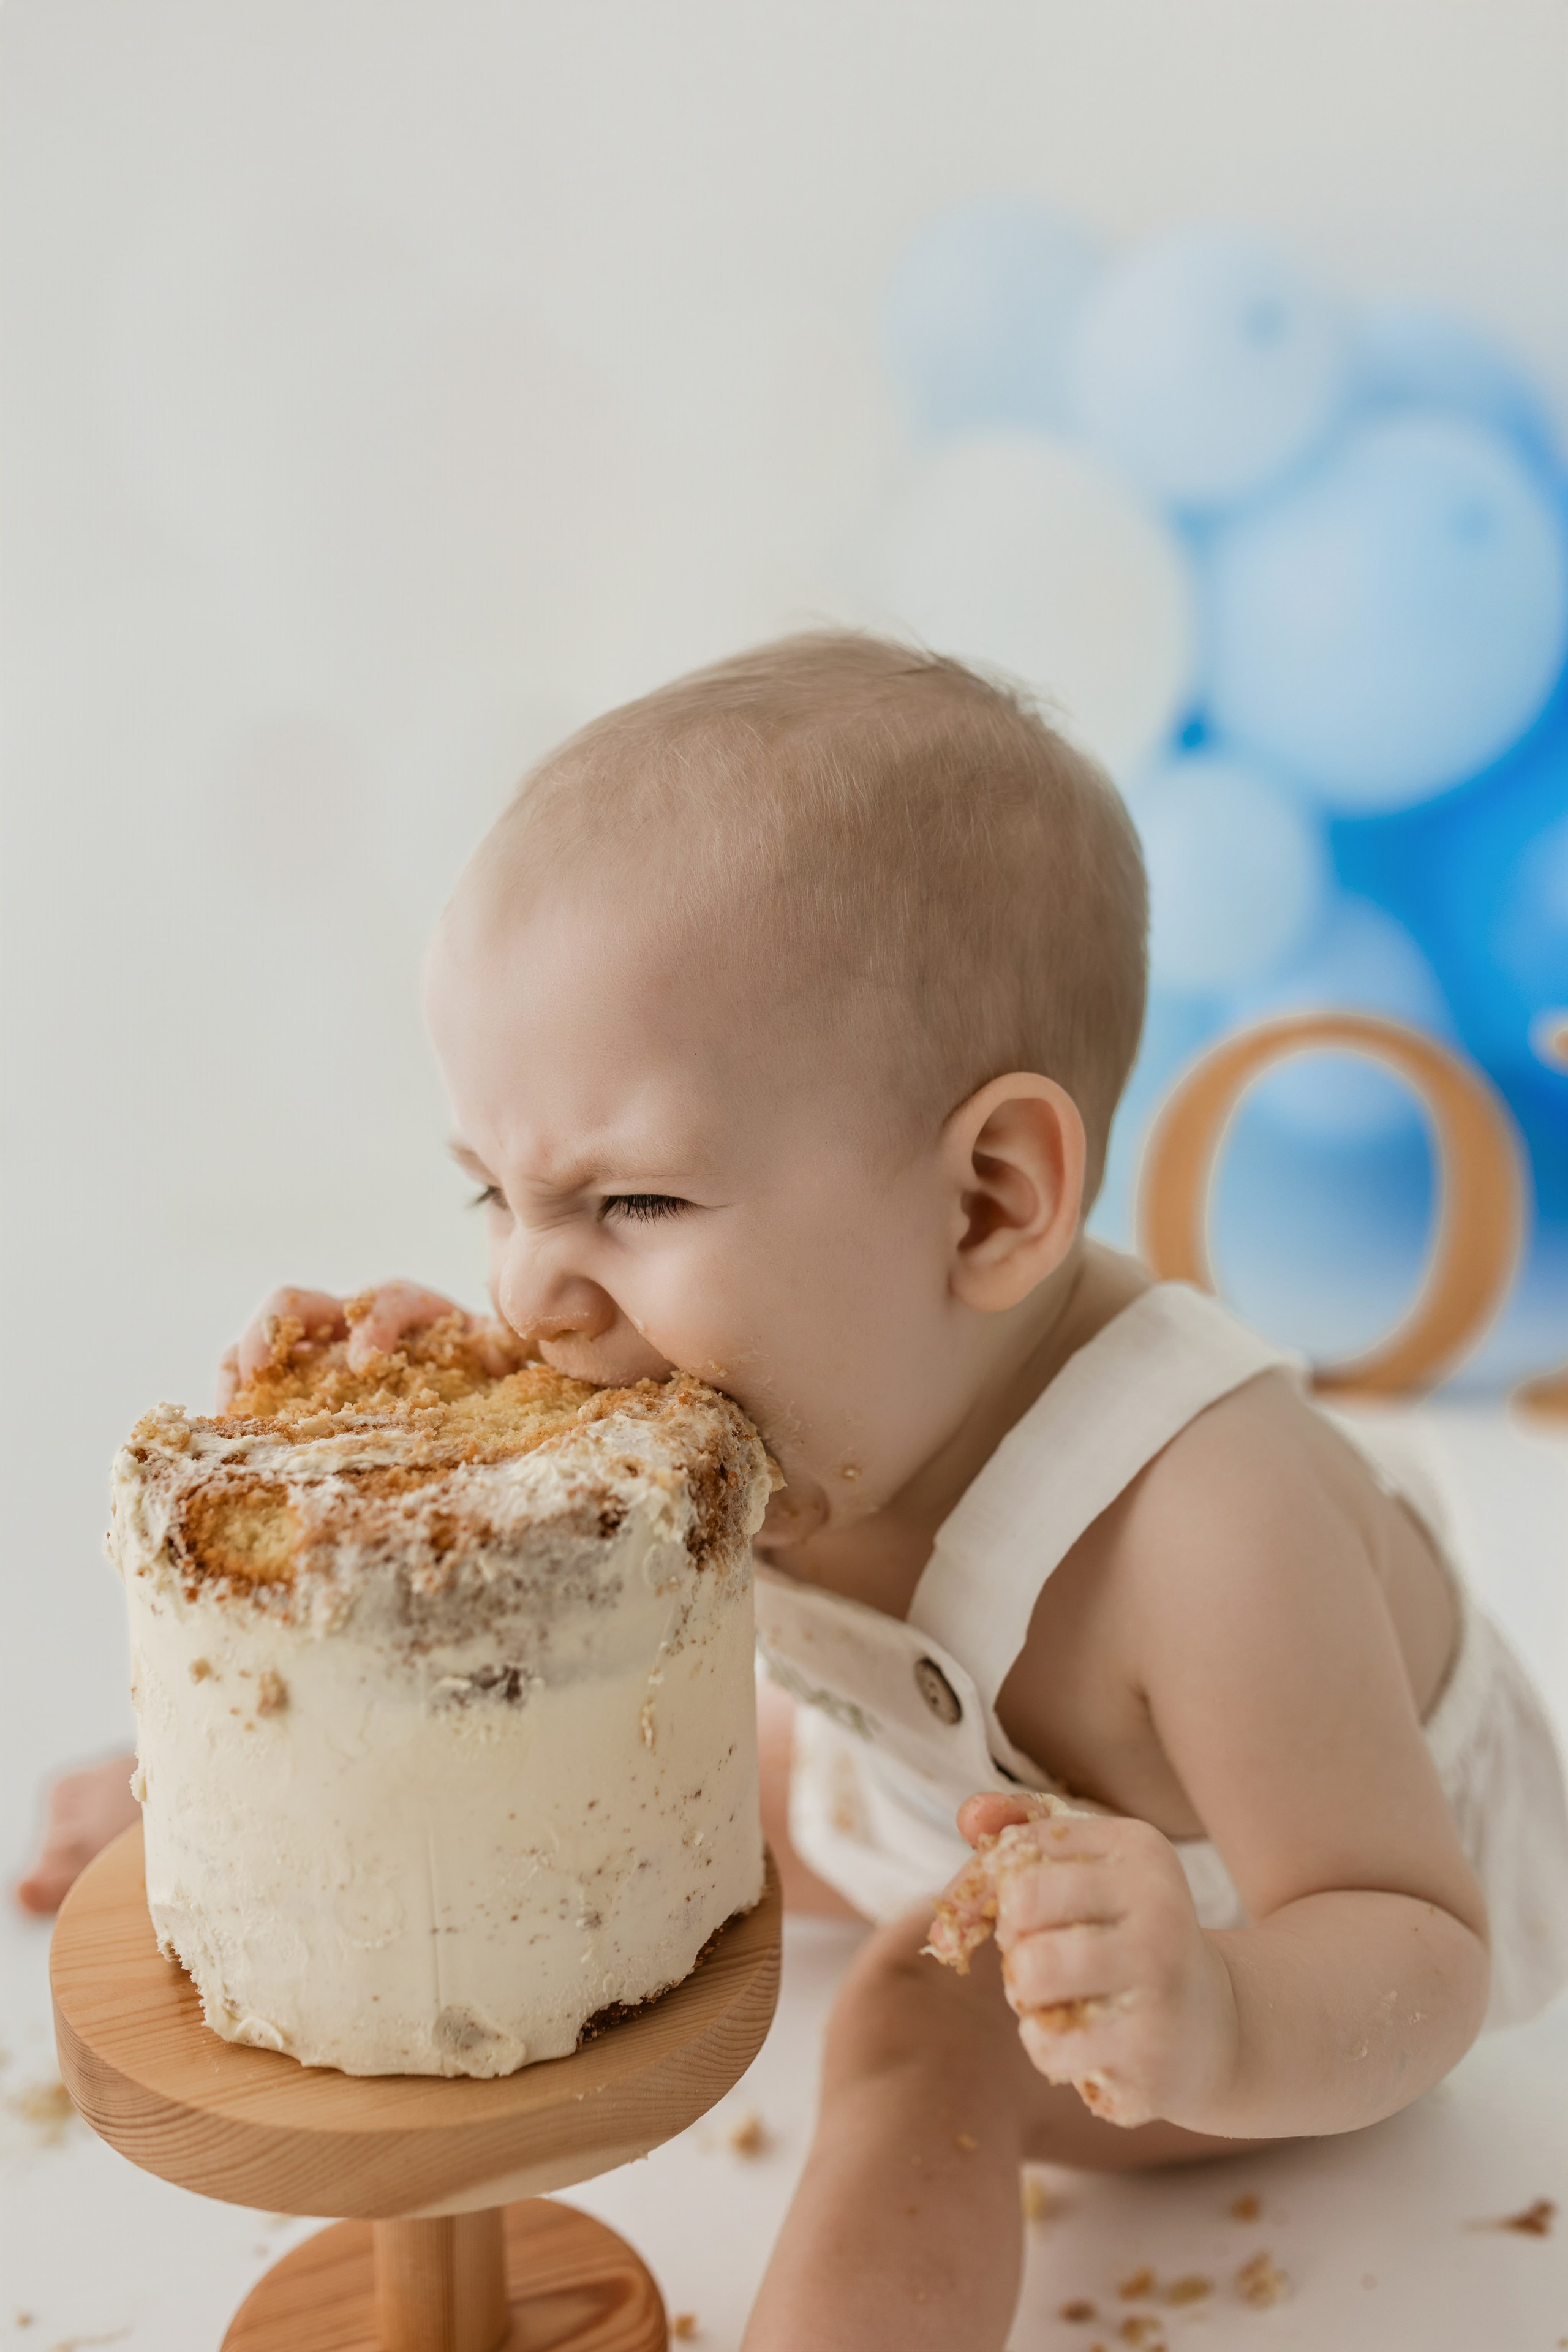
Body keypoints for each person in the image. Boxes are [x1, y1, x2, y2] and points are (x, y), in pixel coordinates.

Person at [20, 634, 1568, 2351]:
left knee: (916, 2024)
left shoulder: (1209, 1530)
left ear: (987, 1203)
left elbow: (1427, 1954)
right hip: (918, 1771)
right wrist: (423, 1444)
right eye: (495, 1201)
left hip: (1221, 1919)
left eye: (633, 1207)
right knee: (639, 1790)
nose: (538, 1297)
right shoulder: (819, 1361)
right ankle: (287, 1841)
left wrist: (1209, 2010)